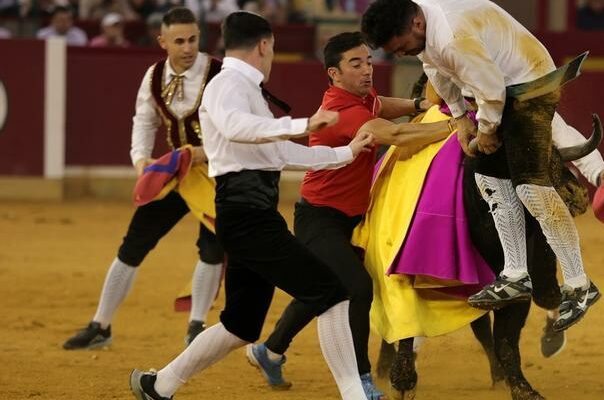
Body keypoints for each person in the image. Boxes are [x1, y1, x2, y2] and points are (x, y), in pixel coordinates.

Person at [130, 11, 373, 400]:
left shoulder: (241, 89)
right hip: (247, 217)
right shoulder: (227, 84)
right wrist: (301, 124)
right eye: (272, 48)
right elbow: (235, 127)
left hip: (248, 216)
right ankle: (354, 395)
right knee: (332, 291)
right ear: (264, 45)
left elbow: (274, 151)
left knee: (241, 325)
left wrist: (344, 153)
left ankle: (159, 384)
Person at [361, 0, 604, 333]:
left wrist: (487, 131)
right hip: (498, 89)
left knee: (532, 188)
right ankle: (516, 273)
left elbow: (491, 90)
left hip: (530, 85)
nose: (403, 53)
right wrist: (461, 119)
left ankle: (580, 284)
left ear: (416, 24)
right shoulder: (421, 28)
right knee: (488, 179)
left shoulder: (450, 37)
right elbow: (435, 69)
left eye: (402, 46)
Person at [244, 31, 452, 398]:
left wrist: (419, 104)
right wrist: (456, 124)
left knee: (320, 287)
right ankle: (361, 380)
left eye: (369, 61)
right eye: (355, 64)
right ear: (333, 74)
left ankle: (269, 351)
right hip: (319, 219)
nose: (367, 69)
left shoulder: (359, 98)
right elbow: (399, 136)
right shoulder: (344, 113)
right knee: (356, 288)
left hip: (352, 218)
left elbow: (381, 104)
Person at [63, 7, 224, 351]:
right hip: (177, 175)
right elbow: (144, 121)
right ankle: (101, 325)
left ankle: (196, 326)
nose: (187, 47)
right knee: (133, 244)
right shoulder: (153, 76)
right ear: (162, 41)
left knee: (211, 249)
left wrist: (203, 152)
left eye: (193, 39)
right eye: (179, 40)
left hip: (216, 175)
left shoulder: (219, 73)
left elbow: (235, 129)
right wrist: (140, 161)